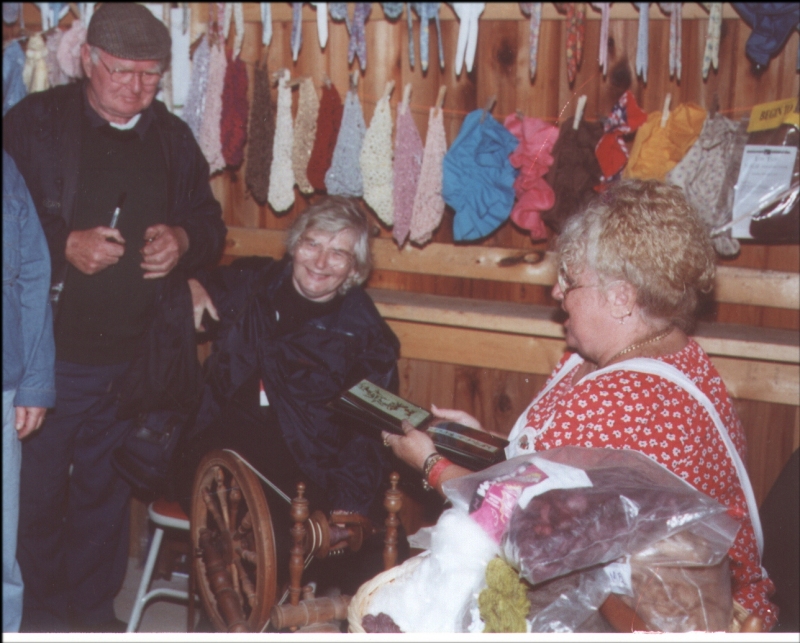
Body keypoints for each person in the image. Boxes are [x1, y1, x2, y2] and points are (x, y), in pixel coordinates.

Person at [383, 180, 777, 629]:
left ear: (622, 298)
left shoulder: (621, 398)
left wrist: (429, 462)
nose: (556, 292)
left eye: (570, 280)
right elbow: (565, 464)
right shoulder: (666, 351)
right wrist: (481, 440)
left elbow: (520, 526)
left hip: (652, 619)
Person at [2, 4, 226, 632]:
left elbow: (212, 225)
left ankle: (94, 609)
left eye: (151, 77)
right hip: (51, 356)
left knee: (106, 491)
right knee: (37, 492)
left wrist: (183, 240)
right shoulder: (32, 124)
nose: (138, 89)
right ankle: (44, 613)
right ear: (86, 61)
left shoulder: (171, 137)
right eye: (123, 73)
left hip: (135, 360)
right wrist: (62, 245)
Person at [172, 196, 400, 594]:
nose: (320, 262)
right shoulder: (257, 282)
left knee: (364, 558)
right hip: (216, 449)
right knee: (240, 535)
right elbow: (200, 277)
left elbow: (368, 433)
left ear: (355, 269)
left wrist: (348, 506)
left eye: (338, 253)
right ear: (295, 245)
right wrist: (192, 285)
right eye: (312, 244)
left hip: (307, 465)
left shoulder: (368, 336)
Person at [3, 152, 56, 633]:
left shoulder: (7, 171)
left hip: (2, 383)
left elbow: (34, 275)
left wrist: (35, 379)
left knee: (0, 551)